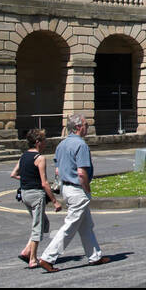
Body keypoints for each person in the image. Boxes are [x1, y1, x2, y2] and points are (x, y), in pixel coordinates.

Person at [38, 114, 108, 272]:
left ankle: (95, 256)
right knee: (70, 226)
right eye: (86, 125)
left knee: (86, 225)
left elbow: (57, 169)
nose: (87, 127)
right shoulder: (81, 145)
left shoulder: (62, 145)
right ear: (78, 127)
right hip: (78, 189)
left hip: (66, 188)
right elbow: (82, 173)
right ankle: (47, 257)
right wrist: (87, 190)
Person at [10, 128, 62, 268]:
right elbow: (44, 183)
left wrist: (27, 178)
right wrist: (55, 201)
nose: (46, 143)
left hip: (25, 194)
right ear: (38, 142)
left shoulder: (24, 156)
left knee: (44, 224)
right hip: (36, 195)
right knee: (38, 227)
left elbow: (14, 174)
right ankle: (32, 259)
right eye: (44, 140)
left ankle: (27, 251)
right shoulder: (40, 158)